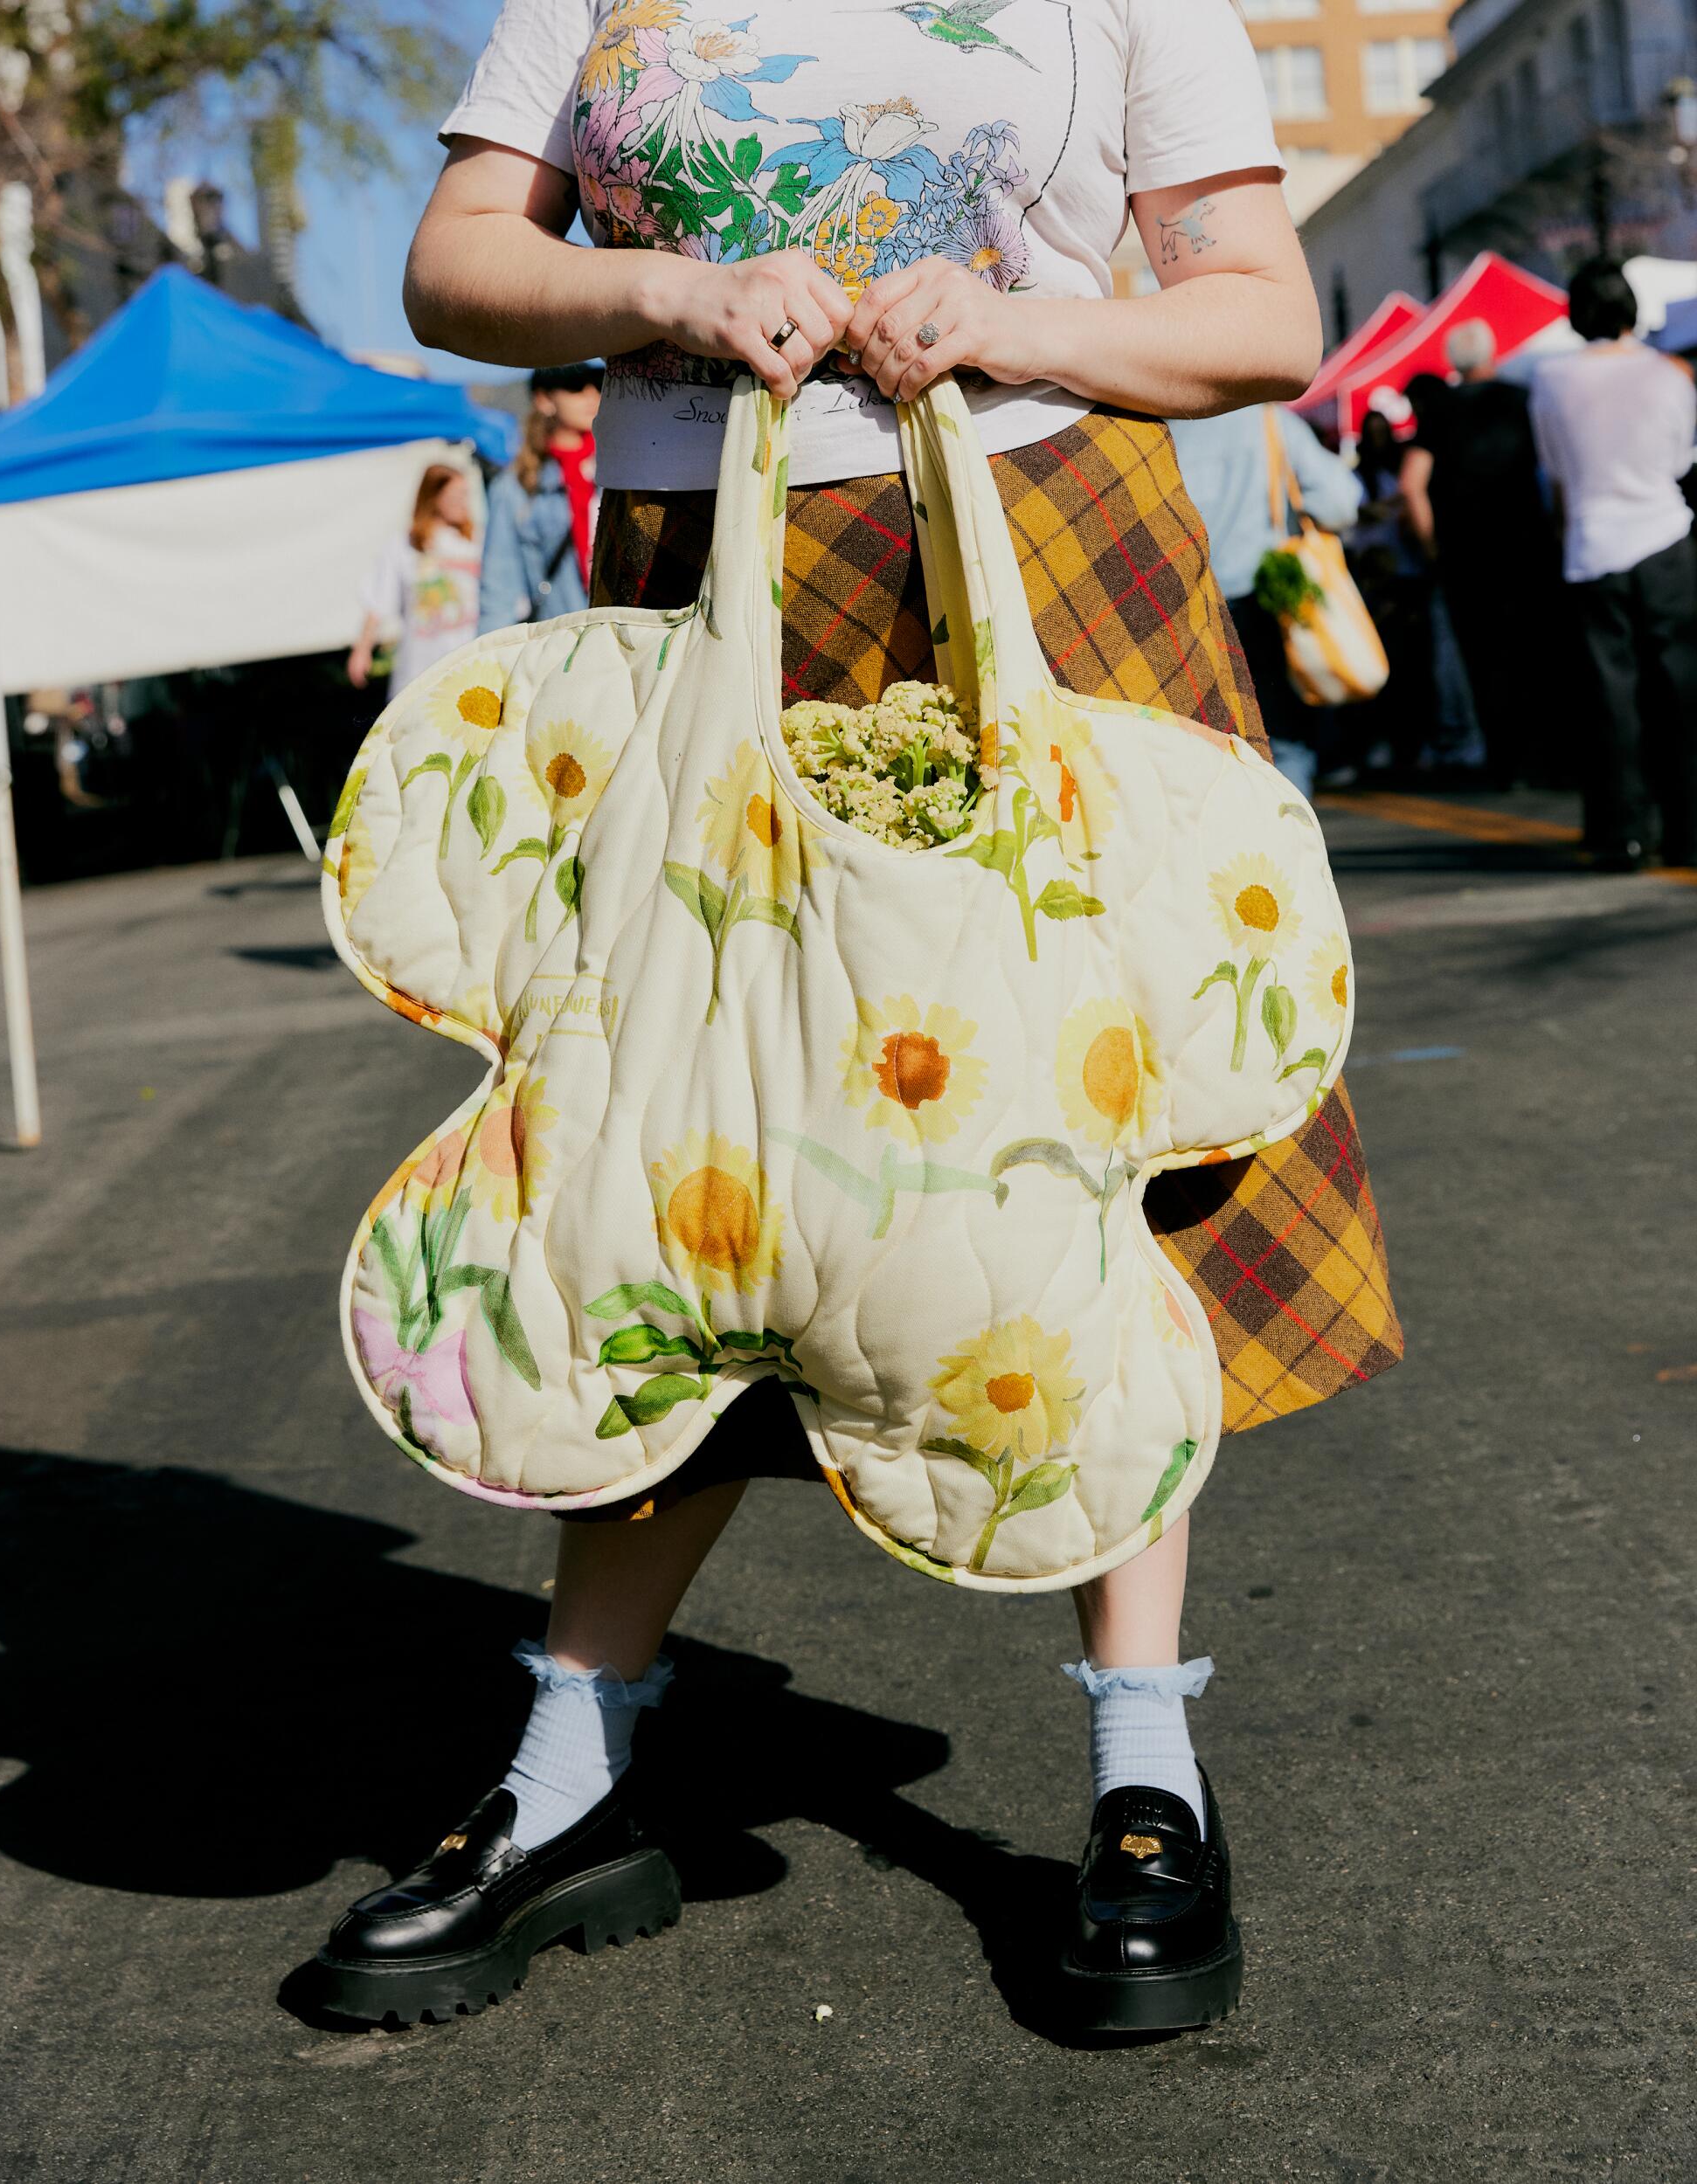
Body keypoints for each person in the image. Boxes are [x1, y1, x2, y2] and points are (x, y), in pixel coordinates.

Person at [308, 0, 1403, 2034]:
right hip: (689, 574)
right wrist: (671, 287)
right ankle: (568, 1774)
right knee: (652, 1160)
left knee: (1082, 1157)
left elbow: (1256, 317)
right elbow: (456, 264)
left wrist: (1008, 329)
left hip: (1042, 559)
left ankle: (1141, 1769)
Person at [1530, 257, 1697, 870]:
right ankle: (1688, 831)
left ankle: (1623, 834)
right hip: (1666, 538)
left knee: (1611, 699)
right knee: (1680, 693)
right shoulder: (1671, 373)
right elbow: (1682, 460)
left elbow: (1555, 468)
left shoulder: (1551, 378)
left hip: (1593, 547)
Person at [1396, 320, 1560, 789]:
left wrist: (1431, 547)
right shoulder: (1522, 399)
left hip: (1466, 558)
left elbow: (1411, 486)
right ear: (1492, 353)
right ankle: (1541, 758)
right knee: (1532, 651)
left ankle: (1502, 762)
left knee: (1484, 661)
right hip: (1527, 549)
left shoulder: (1440, 411)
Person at [1173, 402, 1361, 796]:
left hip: (1191, 601)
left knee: (1208, 739)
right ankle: (1290, 838)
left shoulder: (1167, 423)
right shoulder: (1270, 421)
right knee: (1283, 732)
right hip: (1266, 598)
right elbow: (1340, 503)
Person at [478, 361, 604, 632]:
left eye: (599, 383)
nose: (591, 394)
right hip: (565, 642)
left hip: (631, 637)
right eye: (574, 385)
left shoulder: (624, 470)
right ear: (545, 399)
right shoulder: (516, 487)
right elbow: (499, 590)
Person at [348, 464, 481, 697]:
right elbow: (378, 600)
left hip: (469, 665)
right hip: (420, 669)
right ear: (433, 497)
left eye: (465, 495)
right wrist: (363, 649)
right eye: (454, 496)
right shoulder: (405, 545)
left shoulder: (477, 541)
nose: (462, 503)